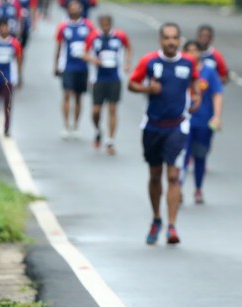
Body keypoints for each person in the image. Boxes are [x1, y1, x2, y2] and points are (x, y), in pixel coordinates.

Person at [127, 23, 202, 246]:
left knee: (172, 176)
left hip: (177, 126)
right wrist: (147, 89)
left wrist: (196, 96)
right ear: (161, 40)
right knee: (155, 175)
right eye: (167, 38)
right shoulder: (149, 61)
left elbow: (195, 82)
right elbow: (132, 84)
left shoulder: (188, 62)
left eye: (174, 38)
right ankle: (156, 219)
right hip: (152, 126)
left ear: (179, 40)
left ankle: (172, 226)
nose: (171, 42)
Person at [181, 39, 223, 204]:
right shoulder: (180, 69)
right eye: (188, 50)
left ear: (200, 53)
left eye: (195, 50)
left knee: (200, 156)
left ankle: (198, 189)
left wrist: (217, 116)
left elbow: (217, 93)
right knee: (182, 157)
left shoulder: (209, 71)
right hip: (182, 122)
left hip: (203, 122)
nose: (192, 54)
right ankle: (178, 188)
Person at [85, 14, 132, 154]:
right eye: (103, 25)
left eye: (107, 24)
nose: (105, 27)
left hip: (114, 78)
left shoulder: (120, 36)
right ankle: (98, 129)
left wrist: (127, 62)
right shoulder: (93, 36)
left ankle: (110, 140)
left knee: (112, 109)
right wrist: (94, 60)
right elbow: (84, 53)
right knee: (96, 110)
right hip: (98, 79)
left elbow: (129, 48)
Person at [55, 0, 97, 139]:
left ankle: (76, 125)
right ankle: (66, 125)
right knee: (66, 94)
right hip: (68, 66)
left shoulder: (88, 25)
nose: (74, 9)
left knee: (78, 97)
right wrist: (56, 64)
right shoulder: (63, 26)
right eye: (71, 6)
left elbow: (93, 45)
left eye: (76, 6)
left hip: (83, 67)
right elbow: (59, 46)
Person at [0, 19, 23, 137]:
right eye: (1, 27)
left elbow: (19, 59)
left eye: (6, 27)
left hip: (8, 78)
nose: (4, 29)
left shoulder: (15, 43)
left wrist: (19, 76)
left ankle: (6, 127)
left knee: (7, 104)